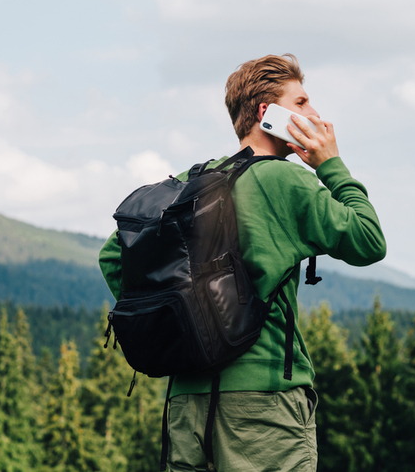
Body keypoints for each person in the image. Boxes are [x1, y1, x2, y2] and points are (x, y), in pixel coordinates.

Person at [98, 54, 386, 472]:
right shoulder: (284, 179)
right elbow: (368, 240)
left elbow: (113, 256)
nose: (315, 114)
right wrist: (330, 165)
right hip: (263, 408)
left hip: (185, 402)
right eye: (302, 103)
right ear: (267, 113)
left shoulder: (189, 183)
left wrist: (185, 321)